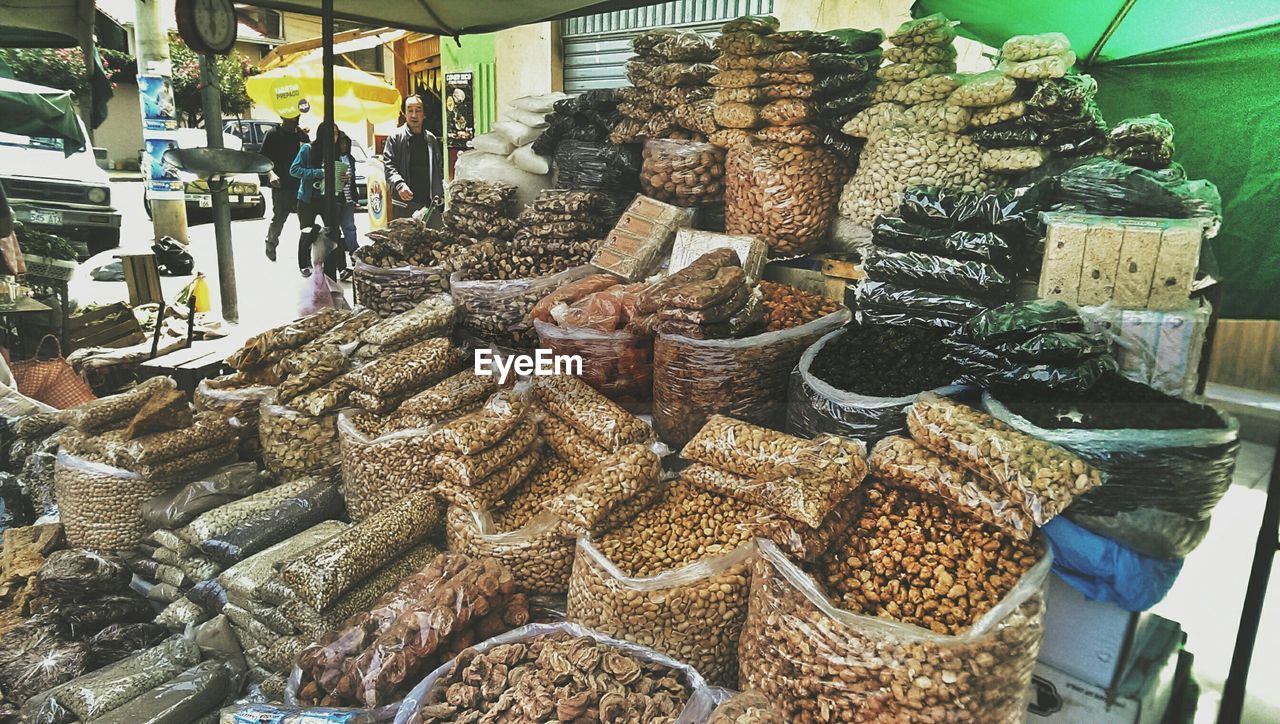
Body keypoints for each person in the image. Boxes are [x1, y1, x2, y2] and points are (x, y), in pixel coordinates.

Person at [290, 120, 348, 278]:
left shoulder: (336, 153)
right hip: (308, 198)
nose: (334, 137)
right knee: (308, 231)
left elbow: (338, 177)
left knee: (334, 231)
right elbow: (294, 170)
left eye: (336, 134)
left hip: (328, 199)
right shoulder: (308, 149)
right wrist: (316, 173)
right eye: (330, 133)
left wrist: (343, 178)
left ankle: (340, 267)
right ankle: (304, 264)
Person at [382, 95, 444, 224]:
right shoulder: (395, 138)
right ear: (404, 113)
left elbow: (439, 167)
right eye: (410, 110)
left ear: (424, 114)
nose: (414, 115)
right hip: (405, 204)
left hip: (430, 204)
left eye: (418, 110)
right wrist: (400, 184)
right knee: (406, 241)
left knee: (433, 240)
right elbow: (389, 166)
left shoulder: (431, 139)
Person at [259, 112, 310, 262]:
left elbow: (310, 156)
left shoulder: (302, 136)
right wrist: (270, 175)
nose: (291, 122)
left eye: (294, 119)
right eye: (288, 119)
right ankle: (271, 242)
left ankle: (305, 255)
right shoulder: (273, 134)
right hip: (281, 185)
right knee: (279, 218)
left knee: (306, 222)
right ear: (282, 118)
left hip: (301, 185)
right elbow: (263, 159)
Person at [335, 132, 359, 281]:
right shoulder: (333, 158)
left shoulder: (351, 159)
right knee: (336, 230)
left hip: (348, 199)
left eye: (346, 144)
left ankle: (354, 253)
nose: (344, 146)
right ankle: (340, 264)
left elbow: (353, 179)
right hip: (337, 198)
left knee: (350, 227)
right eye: (341, 144)